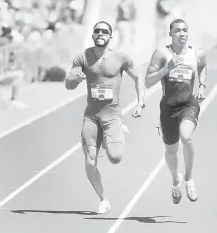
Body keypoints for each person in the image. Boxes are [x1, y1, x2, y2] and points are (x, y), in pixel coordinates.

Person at [65, 21, 145, 213]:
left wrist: (140, 103)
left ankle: (117, 132)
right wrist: (74, 79)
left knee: (115, 157)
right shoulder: (82, 57)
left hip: (111, 115)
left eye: (104, 31)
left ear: (111, 36)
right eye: (97, 31)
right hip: (91, 116)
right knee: (90, 159)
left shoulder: (121, 57)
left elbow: (138, 77)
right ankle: (103, 199)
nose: (100, 34)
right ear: (92, 35)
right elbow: (68, 84)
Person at [145, 19, 207, 204]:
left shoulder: (197, 53)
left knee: (186, 137)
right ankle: (175, 180)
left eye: (185, 30)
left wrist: (202, 86)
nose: (182, 34)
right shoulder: (161, 53)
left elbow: (203, 66)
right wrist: (166, 69)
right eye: (177, 30)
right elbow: (148, 81)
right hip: (168, 108)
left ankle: (188, 178)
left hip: (188, 103)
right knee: (171, 151)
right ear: (170, 34)